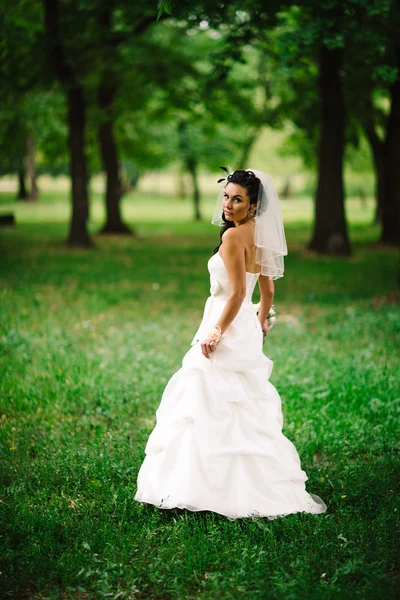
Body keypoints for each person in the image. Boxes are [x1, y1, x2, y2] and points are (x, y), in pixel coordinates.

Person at [134, 168, 328, 520]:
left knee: (204, 400)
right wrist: (262, 321)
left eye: (237, 199)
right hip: (245, 327)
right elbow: (265, 291)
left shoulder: (233, 238)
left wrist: (216, 332)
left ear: (253, 205)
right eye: (226, 196)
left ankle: (199, 486)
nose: (228, 204)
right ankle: (248, 483)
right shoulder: (261, 236)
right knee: (240, 402)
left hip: (224, 324)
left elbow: (237, 293)